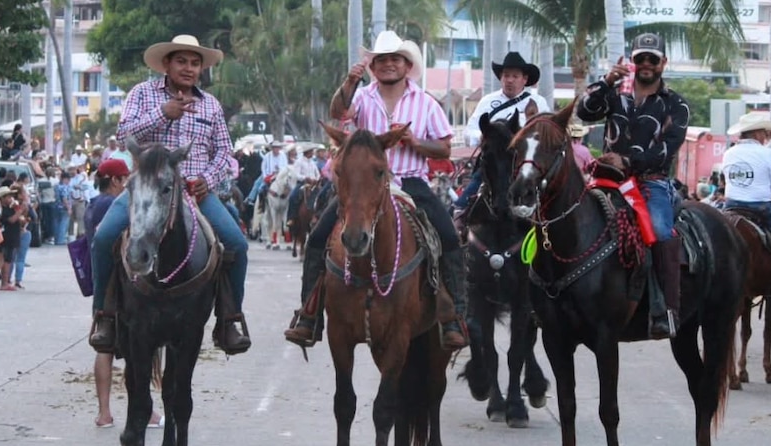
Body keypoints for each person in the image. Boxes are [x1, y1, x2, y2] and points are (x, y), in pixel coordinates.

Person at [284, 30, 468, 351]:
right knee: (317, 238)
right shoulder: (361, 97)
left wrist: (414, 142)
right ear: (373, 66)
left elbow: (444, 148)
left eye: (395, 59)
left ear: (407, 65)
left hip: (410, 182)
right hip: (363, 185)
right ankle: (309, 315)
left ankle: (454, 318)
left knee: (449, 238)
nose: (388, 64)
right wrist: (350, 81)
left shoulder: (426, 102)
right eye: (381, 60)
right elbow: (337, 112)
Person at [89, 34, 251, 355]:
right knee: (104, 237)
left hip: (195, 192)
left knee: (237, 244)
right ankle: (104, 315)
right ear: (166, 64)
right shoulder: (143, 93)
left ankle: (228, 319)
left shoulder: (210, 105)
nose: (189, 69)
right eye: (182, 62)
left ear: (201, 69)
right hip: (148, 189)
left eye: (195, 63)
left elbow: (224, 151)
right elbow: (124, 135)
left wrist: (207, 178)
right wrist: (164, 113)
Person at [576, 32, 688, 338]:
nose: (647, 63)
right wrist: (606, 81)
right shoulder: (616, 94)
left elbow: (667, 149)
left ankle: (666, 310)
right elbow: (583, 112)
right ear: (632, 62)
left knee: (660, 230)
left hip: (651, 183)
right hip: (605, 179)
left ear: (663, 63)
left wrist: (627, 162)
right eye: (641, 58)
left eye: (653, 59)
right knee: (566, 213)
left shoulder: (676, 104)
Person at [85, 158, 162, 429]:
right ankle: (143, 410)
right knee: (135, 348)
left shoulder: (95, 203)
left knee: (107, 346)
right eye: (123, 176)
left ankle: (105, 412)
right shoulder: (112, 203)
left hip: (172, 185)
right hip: (119, 286)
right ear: (117, 180)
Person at [454, 51, 551, 214]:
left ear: (524, 79)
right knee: (471, 191)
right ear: (501, 78)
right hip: (494, 161)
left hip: (525, 162)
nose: (509, 80)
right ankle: (459, 213)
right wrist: (483, 137)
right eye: (506, 75)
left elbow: (547, 134)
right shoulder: (487, 102)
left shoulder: (538, 103)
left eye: (515, 76)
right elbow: (469, 132)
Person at [721, 112, 771, 312]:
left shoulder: (729, 153)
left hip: (730, 207)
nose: (766, 136)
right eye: (764, 132)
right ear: (756, 133)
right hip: (760, 208)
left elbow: (727, 180)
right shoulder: (767, 153)